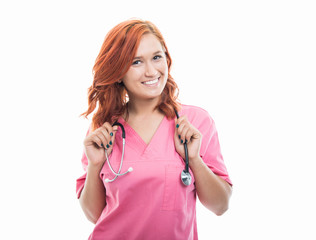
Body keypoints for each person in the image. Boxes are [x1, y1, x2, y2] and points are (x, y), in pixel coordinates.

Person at [76, 19, 233, 240]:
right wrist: (94, 165)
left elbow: (221, 205)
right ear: (118, 71)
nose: (151, 71)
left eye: (157, 57)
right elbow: (93, 214)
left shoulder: (195, 122)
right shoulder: (104, 129)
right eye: (136, 62)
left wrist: (194, 159)